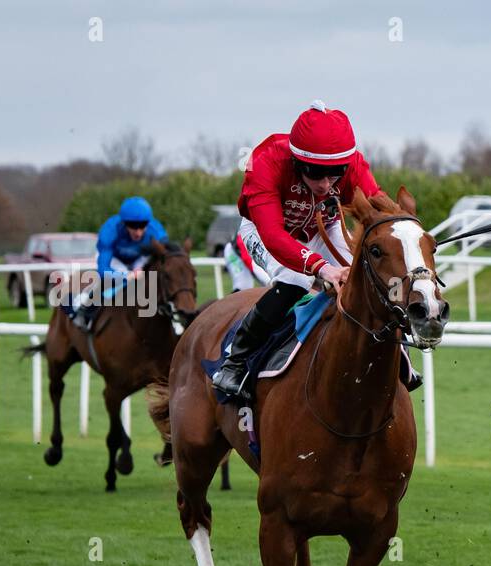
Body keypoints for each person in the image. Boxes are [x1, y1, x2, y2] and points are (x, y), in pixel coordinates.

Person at [212, 100, 419, 400]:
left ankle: (398, 353)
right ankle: (235, 361)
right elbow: (273, 235)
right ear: (297, 162)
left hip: (325, 226)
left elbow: (377, 207)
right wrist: (322, 268)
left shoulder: (353, 166)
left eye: (334, 174)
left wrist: (408, 231)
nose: (325, 184)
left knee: (366, 274)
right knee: (296, 281)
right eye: (316, 173)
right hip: (266, 233)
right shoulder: (265, 163)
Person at [73, 196, 168, 327]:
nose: (138, 232)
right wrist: (126, 276)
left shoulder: (156, 230)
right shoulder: (110, 230)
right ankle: (85, 309)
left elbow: (167, 256)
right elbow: (103, 270)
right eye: (133, 226)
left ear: (148, 223)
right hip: (115, 259)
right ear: (123, 223)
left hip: (139, 260)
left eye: (142, 226)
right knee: (109, 280)